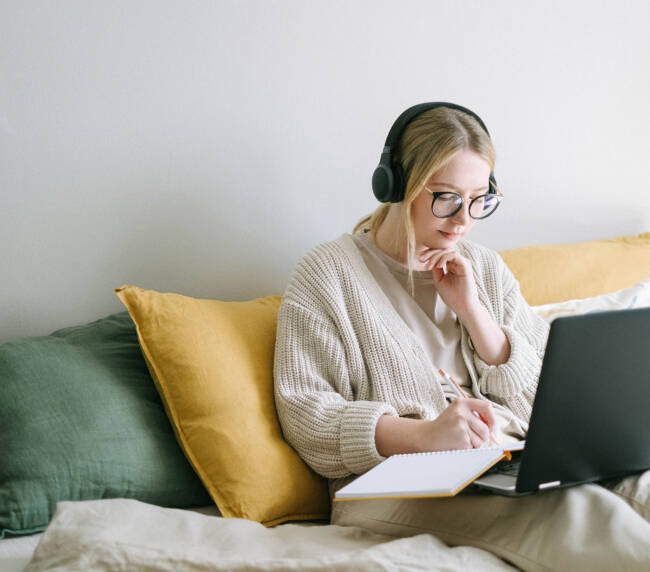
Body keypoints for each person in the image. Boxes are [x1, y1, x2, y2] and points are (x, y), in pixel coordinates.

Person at [273, 103, 650, 571]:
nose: (463, 220)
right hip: (394, 487)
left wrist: (475, 314)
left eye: (479, 200)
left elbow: (547, 402)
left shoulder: (484, 268)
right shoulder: (327, 275)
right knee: (584, 519)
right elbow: (307, 416)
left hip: (512, 462)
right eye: (447, 197)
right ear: (396, 185)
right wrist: (426, 435)